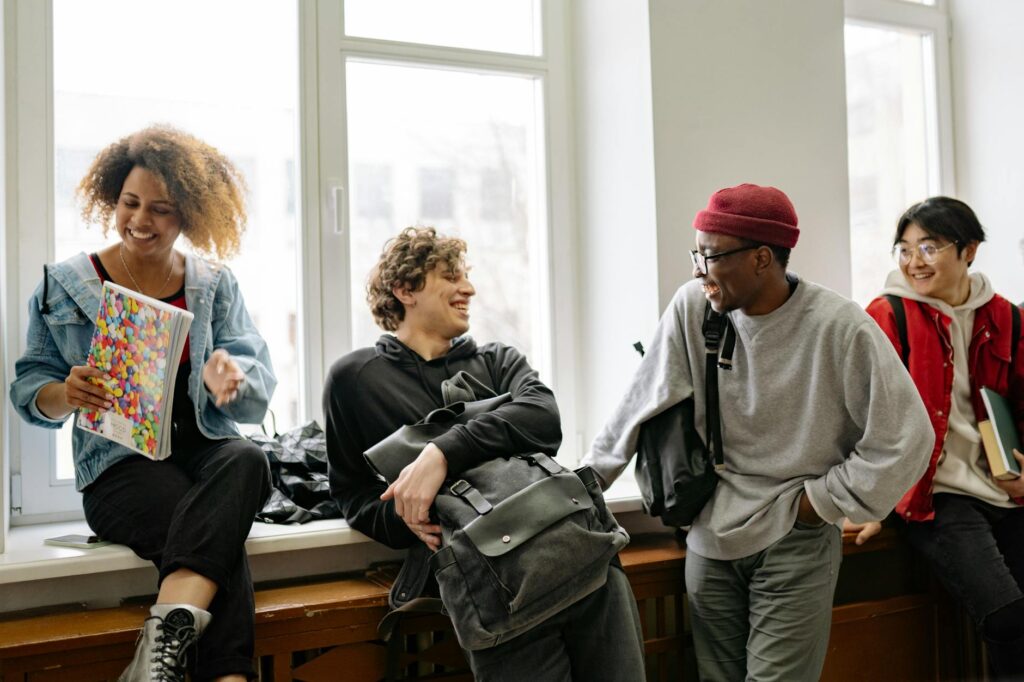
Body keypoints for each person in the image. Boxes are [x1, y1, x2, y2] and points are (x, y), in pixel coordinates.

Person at [584, 183, 934, 681]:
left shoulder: (839, 327)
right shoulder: (694, 307)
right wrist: (578, 492)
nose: (697, 270)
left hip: (795, 539)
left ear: (762, 258)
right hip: (709, 538)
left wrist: (823, 503)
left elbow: (907, 435)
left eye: (711, 257)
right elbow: (639, 402)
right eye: (696, 254)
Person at [9, 126, 276, 682]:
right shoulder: (64, 285)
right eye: (130, 203)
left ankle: (158, 656)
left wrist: (231, 379)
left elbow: (255, 391)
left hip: (206, 459)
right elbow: (28, 388)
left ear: (188, 217)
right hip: (120, 468)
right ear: (113, 198)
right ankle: (227, 677)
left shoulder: (214, 285)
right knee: (213, 536)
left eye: (161, 209)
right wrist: (65, 393)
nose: (141, 221)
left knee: (247, 457)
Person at [324, 227, 645, 681]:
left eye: (466, 276)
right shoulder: (354, 380)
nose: (469, 288)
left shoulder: (497, 360)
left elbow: (544, 417)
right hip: (493, 592)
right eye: (451, 276)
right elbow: (351, 494)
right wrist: (411, 519)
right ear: (405, 289)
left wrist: (441, 452)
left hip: (587, 563)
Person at [863, 196, 1024, 679]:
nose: (914, 262)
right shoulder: (887, 315)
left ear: (969, 250)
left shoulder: (1007, 317)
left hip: (1004, 488)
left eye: (929, 247)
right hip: (935, 496)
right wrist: (869, 501)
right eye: (905, 249)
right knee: (1007, 615)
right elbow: (862, 417)